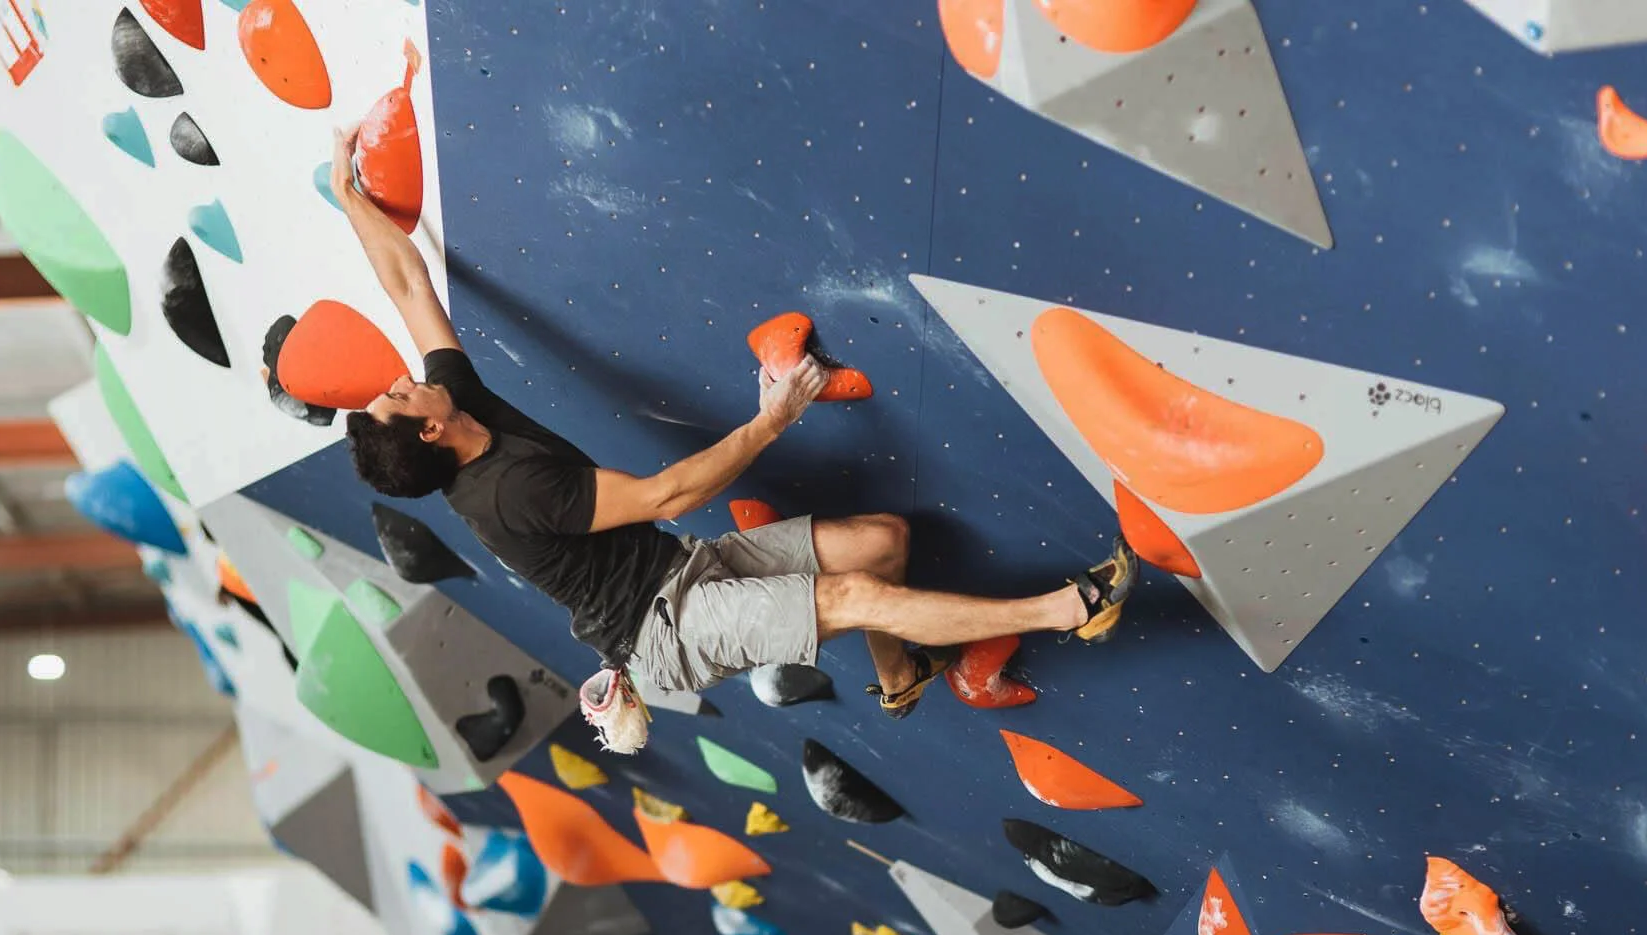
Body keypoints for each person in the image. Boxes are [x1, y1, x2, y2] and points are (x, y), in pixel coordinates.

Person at [330, 128, 1136, 731]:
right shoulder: (509, 490)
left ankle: (900, 679)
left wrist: (347, 196)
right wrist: (774, 417)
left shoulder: (457, 404)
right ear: (429, 433)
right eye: (399, 397)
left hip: (685, 572)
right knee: (852, 595)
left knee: (883, 541)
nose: (403, 380)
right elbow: (667, 491)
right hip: (666, 630)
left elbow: (406, 284)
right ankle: (1065, 610)